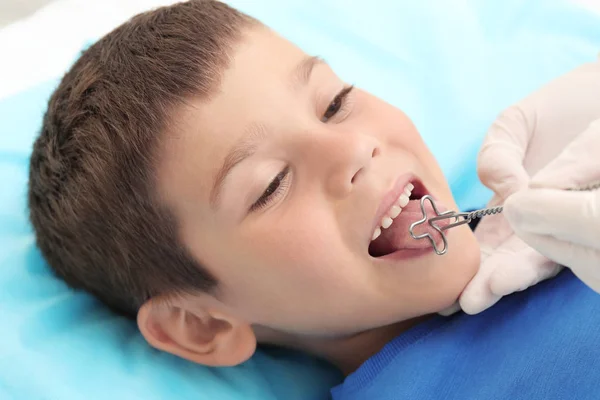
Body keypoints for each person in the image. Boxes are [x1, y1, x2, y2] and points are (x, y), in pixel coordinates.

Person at [26, 1, 600, 398]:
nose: (351, 149)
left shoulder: (557, 192)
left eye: (334, 102)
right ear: (200, 325)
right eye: (271, 184)